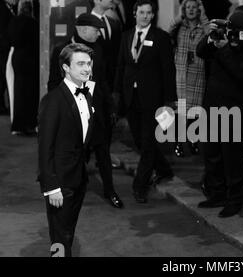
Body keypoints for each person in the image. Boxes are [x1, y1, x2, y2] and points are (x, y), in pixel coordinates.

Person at [196, 9, 243, 218]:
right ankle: (217, 194)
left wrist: (226, 48)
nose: (234, 36)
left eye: (238, 32)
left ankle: (235, 200)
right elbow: (201, 52)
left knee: (233, 160)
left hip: (238, 110)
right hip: (213, 106)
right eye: (231, 31)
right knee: (212, 155)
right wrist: (210, 36)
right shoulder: (223, 39)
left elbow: (242, 73)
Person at [48, 13, 124, 209]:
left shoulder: (97, 50)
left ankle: (110, 190)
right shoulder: (62, 51)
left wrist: (110, 106)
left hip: (96, 111)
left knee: (103, 152)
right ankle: (69, 190)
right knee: (74, 155)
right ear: (82, 29)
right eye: (95, 30)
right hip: (72, 114)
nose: (99, 33)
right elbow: (53, 85)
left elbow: (102, 81)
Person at [113, 0, 177, 203]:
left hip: (153, 98)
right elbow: (121, 67)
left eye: (149, 13)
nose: (146, 16)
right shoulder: (126, 36)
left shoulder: (161, 38)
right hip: (131, 98)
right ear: (134, 13)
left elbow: (168, 70)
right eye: (142, 12)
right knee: (140, 141)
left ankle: (140, 185)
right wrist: (116, 94)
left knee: (148, 143)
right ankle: (164, 169)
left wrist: (169, 100)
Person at [38, 43, 95, 257]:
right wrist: (51, 187)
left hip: (78, 178)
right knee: (60, 238)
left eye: (88, 64)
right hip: (60, 184)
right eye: (80, 64)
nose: (86, 68)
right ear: (65, 68)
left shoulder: (87, 95)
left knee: (68, 233)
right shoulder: (53, 101)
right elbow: (45, 148)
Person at [169, 0, 209, 157]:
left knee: (195, 111)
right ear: (183, 10)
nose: (191, 10)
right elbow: (168, 31)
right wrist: (179, 17)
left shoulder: (203, 26)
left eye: (194, 7)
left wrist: (204, 16)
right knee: (180, 111)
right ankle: (178, 142)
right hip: (180, 73)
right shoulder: (180, 25)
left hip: (198, 73)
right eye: (188, 7)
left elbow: (211, 35)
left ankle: (193, 140)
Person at [7, 0, 38, 136]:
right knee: (29, 93)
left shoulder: (14, 21)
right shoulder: (32, 23)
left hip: (17, 58)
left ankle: (17, 125)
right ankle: (28, 124)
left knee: (18, 91)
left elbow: (10, 39)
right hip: (30, 59)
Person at [0, 0, 19, 115]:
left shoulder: (7, 8)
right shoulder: (1, 9)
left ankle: (0, 105)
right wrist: (11, 46)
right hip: (1, 49)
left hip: (1, 48)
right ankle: (0, 106)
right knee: (3, 77)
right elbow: (1, 32)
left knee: (1, 77)